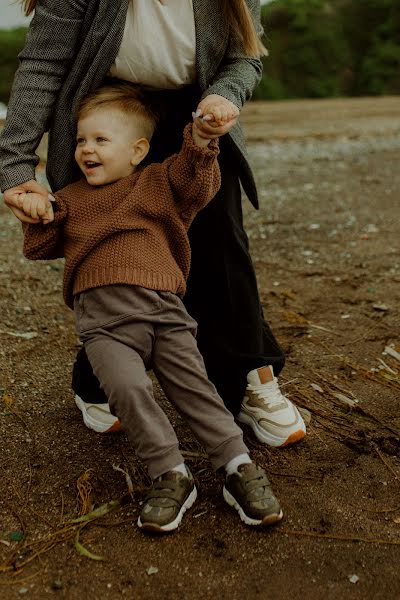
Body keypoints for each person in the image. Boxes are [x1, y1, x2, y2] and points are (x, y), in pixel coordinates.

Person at [0, 0, 306, 448]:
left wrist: (225, 94)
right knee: (119, 255)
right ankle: (98, 380)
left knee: (220, 249)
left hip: (196, 114)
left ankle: (251, 380)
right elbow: (44, 65)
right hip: (112, 113)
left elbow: (244, 58)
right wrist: (16, 165)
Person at [17, 82, 284, 532]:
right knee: (128, 390)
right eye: (82, 140)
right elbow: (41, 246)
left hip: (166, 316)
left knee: (196, 392)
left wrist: (202, 138)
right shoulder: (73, 199)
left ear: (138, 149)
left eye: (101, 140)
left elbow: (196, 180)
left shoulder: (158, 183)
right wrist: (35, 207)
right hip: (105, 325)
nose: (86, 150)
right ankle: (171, 473)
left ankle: (237, 465)